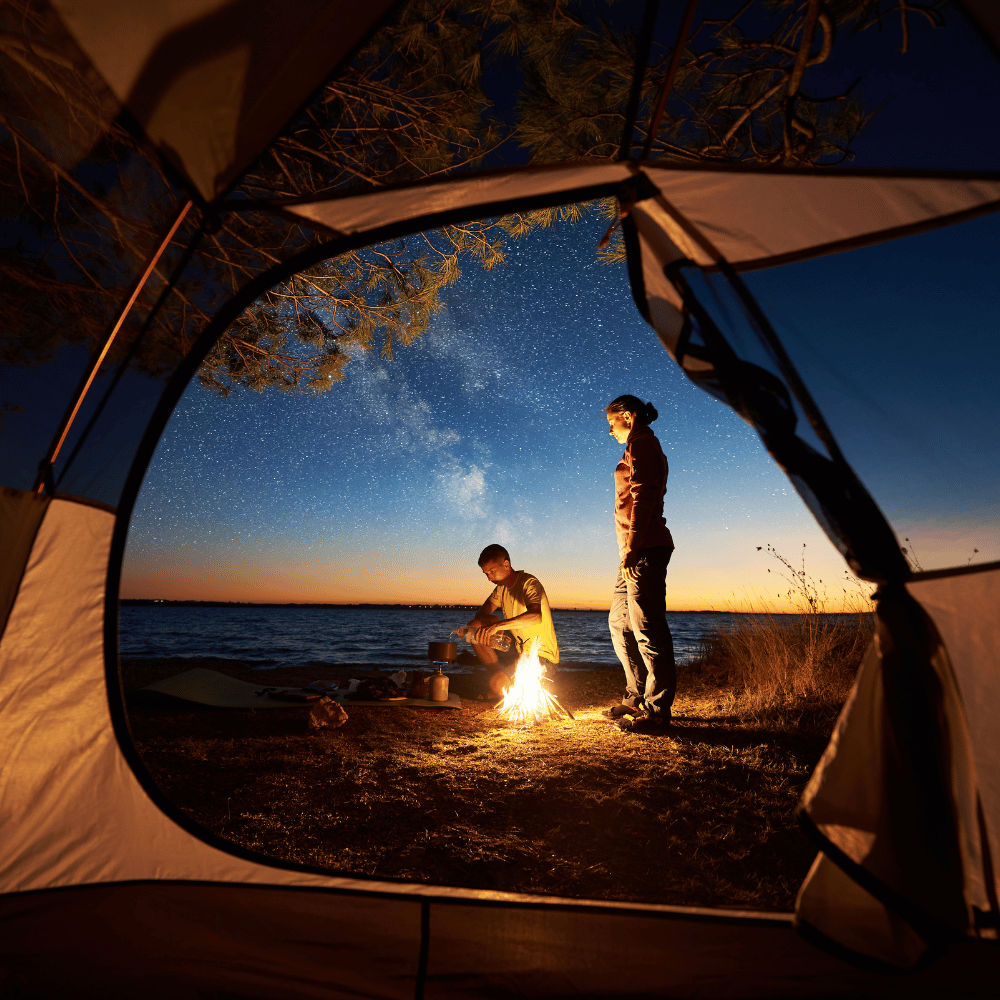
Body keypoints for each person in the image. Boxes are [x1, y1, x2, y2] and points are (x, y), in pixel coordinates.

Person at [604, 395, 676, 733]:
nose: (609, 431)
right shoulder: (637, 446)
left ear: (628, 417)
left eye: (611, 424)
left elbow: (645, 496)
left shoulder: (644, 445)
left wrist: (633, 548)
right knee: (620, 623)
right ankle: (634, 697)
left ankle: (657, 711)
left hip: (644, 549)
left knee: (647, 628)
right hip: (630, 553)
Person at [459, 544, 559, 697]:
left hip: (542, 657)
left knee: (496, 684)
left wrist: (497, 625)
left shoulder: (529, 583)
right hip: (518, 651)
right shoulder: (501, 588)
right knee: (475, 626)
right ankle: (502, 678)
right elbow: (481, 612)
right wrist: (491, 619)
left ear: (506, 564)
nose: (489, 578)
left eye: (492, 571)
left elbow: (536, 616)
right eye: (486, 573)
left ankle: (504, 685)